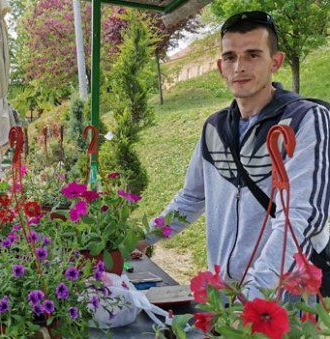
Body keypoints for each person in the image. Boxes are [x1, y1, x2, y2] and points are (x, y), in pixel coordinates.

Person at [137, 11, 330, 299]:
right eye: (230, 57)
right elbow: (191, 198)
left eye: (253, 55)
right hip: (224, 293)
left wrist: (254, 297)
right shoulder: (214, 128)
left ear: (275, 62)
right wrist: (141, 239)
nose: (239, 67)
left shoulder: (306, 120)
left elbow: (298, 218)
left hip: (281, 301)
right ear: (220, 67)